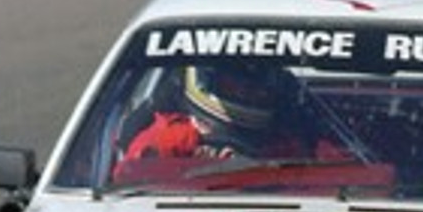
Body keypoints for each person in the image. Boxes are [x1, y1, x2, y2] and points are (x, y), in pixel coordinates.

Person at [116, 64, 342, 175]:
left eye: (255, 90)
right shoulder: (167, 139)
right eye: (232, 86)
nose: (244, 93)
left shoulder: (292, 142)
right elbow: (132, 183)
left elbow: (339, 177)